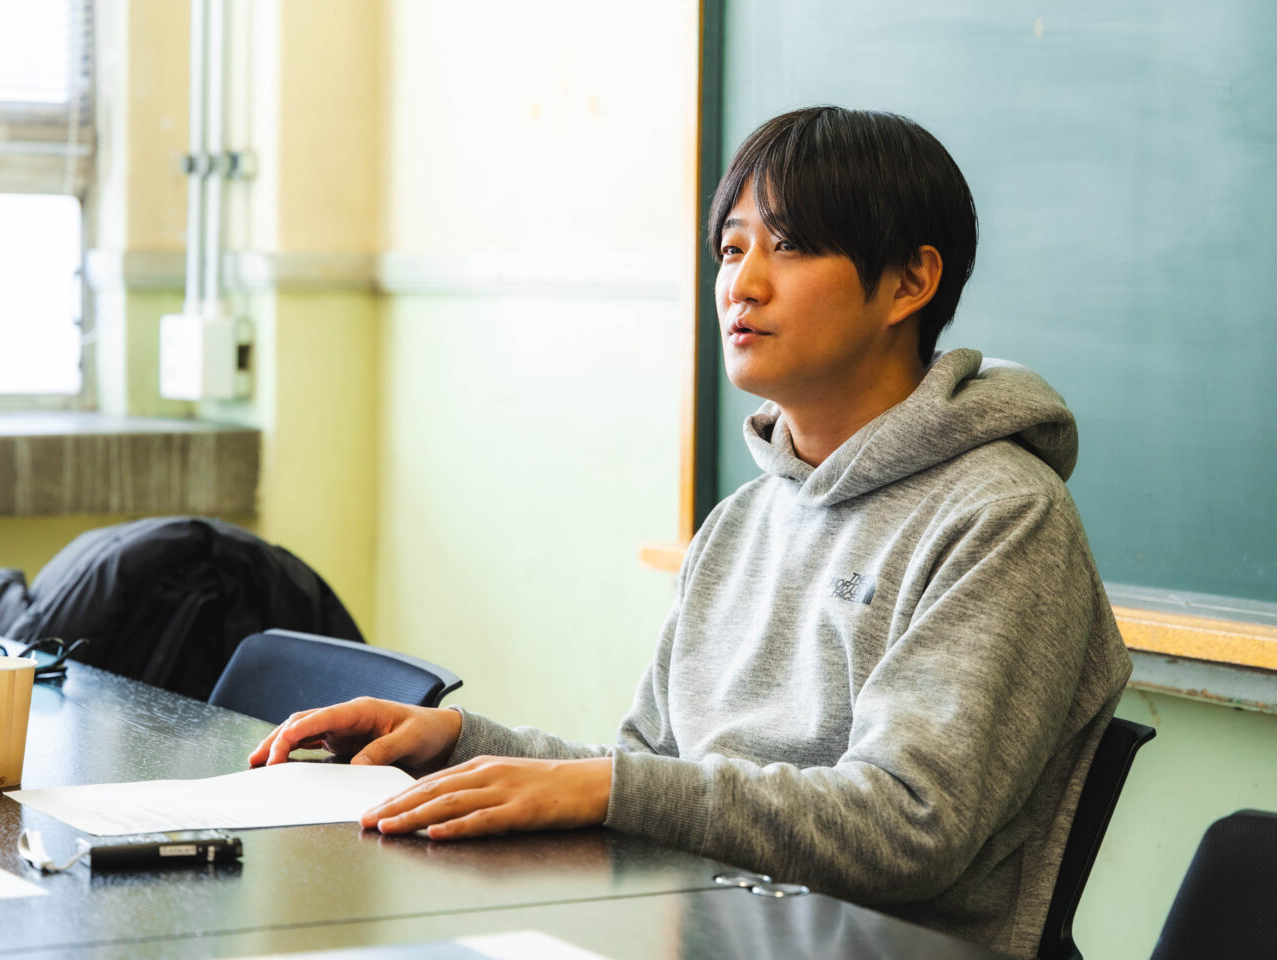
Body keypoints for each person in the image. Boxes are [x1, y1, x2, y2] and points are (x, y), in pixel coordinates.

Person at [249, 106, 1132, 958]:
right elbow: (652, 771)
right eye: (731, 248)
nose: (742, 284)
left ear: (910, 282)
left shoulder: (1004, 517)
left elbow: (909, 824)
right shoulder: (742, 520)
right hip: (695, 928)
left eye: (790, 245)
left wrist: (608, 787)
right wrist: (461, 742)